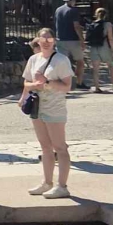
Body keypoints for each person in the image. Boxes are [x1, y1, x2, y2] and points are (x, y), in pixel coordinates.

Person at [22, 29, 73, 199]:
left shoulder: (61, 60)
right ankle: (47, 182)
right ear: (37, 40)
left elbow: (67, 86)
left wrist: (47, 82)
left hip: (55, 107)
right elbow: (27, 82)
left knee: (60, 147)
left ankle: (62, 186)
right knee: (45, 146)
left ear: (54, 41)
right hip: (38, 107)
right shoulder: (33, 59)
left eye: (49, 39)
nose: (45, 42)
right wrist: (33, 86)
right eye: (42, 39)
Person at [53, 0, 88, 89]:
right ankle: (79, 82)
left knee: (63, 62)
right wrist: (82, 40)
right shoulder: (74, 11)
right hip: (73, 40)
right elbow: (76, 26)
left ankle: (63, 83)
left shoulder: (58, 10)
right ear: (73, 0)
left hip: (60, 39)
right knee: (80, 62)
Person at [84, 8, 113, 92]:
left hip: (93, 47)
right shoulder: (108, 24)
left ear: (96, 15)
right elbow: (110, 38)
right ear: (105, 15)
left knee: (96, 69)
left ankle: (97, 87)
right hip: (104, 47)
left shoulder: (92, 24)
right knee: (111, 65)